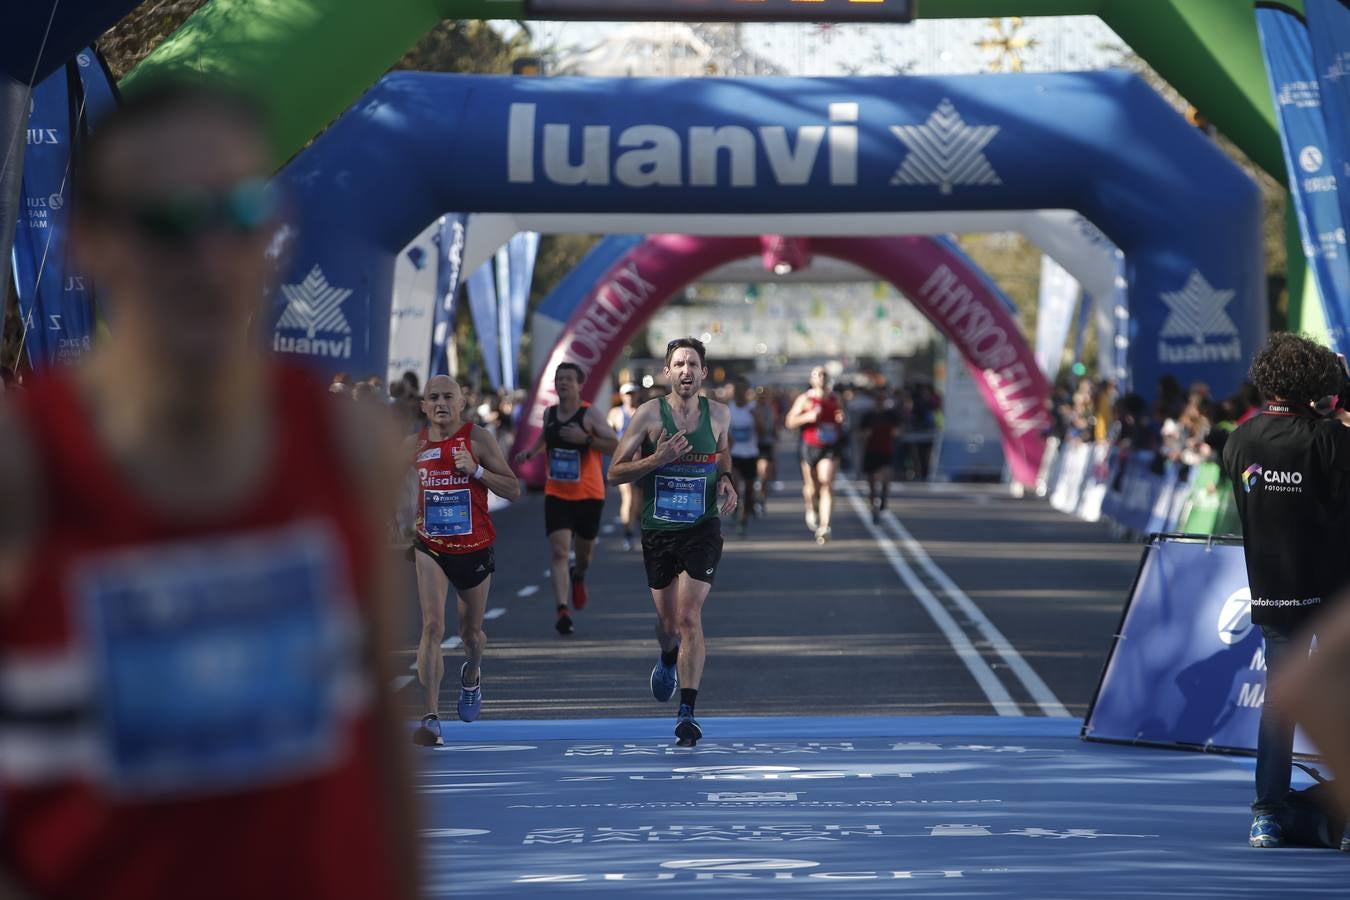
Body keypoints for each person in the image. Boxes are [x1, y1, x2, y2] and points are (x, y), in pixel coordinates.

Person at [0, 82, 416, 900]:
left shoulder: (349, 447)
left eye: (238, 215)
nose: (208, 257)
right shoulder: (22, 469)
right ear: (88, 243)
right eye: (167, 224)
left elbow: (381, 753)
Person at [1221, 332, 1350, 850]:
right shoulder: (1331, 441)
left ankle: (1266, 815)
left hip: (1274, 589)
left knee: (1280, 703)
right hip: (1334, 594)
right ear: (1317, 381)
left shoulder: (1240, 440)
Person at [608, 337, 737, 747]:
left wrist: (728, 480)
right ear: (668, 372)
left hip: (702, 527)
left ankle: (688, 712)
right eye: (678, 363)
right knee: (668, 627)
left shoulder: (719, 414)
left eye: (692, 364)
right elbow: (615, 472)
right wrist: (657, 460)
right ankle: (667, 657)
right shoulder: (648, 415)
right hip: (659, 530)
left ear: (703, 372)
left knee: (689, 618)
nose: (686, 370)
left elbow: (723, 453)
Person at [408, 375, 520, 746]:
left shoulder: (478, 439)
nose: (440, 403)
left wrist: (477, 471)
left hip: (473, 548)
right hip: (431, 546)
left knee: (471, 634)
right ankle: (430, 718)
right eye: (433, 397)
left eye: (448, 397)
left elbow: (514, 489)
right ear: (424, 405)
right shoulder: (412, 445)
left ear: (461, 403)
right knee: (432, 628)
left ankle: (471, 674)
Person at [513, 362, 619, 634]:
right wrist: (531, 452)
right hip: (557, 493)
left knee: (583, 553)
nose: (562, 383)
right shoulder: (549, 413)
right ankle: (562, 610)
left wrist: (585, 439)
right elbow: (545, 439)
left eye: (568, 379)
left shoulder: (589, 414)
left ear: (579, 384)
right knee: (559, 550)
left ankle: (579, 574)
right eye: (559, 379)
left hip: (589, 494)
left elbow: (614, 444)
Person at [786, 366, 844, 544]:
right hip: (809, 446)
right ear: (811, 379)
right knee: (812, 487)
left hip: (829, 446)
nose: (821, 377)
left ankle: (825, 526)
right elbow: (789, 422)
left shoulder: (835, 398)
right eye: (817, 374)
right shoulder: (805, 399)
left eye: (824, 374)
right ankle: (811, 507)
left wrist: (841, 418)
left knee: (826, 483)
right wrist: (808, 417)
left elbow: (841, 417)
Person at [608, 382, 643, 551]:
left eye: (633, 393)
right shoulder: (615, 414)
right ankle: (628, 534)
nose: (630, 397)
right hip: (623, 462)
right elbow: (607, 435)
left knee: (638, 500)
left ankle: (636, 524)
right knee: (628, 497)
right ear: (622, 396)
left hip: (641, 462)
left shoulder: (643, 412)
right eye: (627, 394)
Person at [859, 389, 901, 523]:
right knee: (871, 483)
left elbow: (898, 431)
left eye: (882, 400)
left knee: (885, 477)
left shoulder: (891, 415)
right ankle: (873, 510)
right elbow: (860, 433)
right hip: (871, 451)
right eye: (878, 400)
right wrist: (865, 434)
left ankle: (884, 497)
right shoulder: (868, 416)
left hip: (886, 451)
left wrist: (895, 433)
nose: (880, 403)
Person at [726, 378, 759, 537]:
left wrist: (757, 417)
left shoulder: (753, 408)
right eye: (736, 389)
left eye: (742, 390)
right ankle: (738, 516)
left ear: (747, 391)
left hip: (751, 454)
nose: (739, 393)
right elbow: (723, 433)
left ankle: (744, 517)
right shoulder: (729, 409)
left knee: (750, 491)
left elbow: (763, 431)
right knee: (737, 487)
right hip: (734, 455)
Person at [754, 386, 778, 516]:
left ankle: (761, 498)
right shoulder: (751, 409)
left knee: (764, 473)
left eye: (764, 395)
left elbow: (770, 430)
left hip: (765, 444)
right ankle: (750, 497)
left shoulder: (770, 410)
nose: (762, 398)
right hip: (752, 445)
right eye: (760, 395)